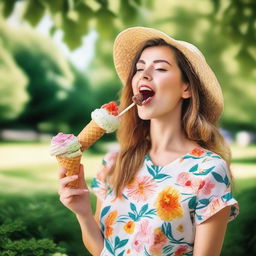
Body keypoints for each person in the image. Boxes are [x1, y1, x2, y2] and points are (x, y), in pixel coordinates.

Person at [58, 27, 239, 256]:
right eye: (139, 68)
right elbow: (103, 250)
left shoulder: (209, 170)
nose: (143, 75)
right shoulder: (113, 163)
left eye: (161, 68)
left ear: (186, 88)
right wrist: (82, 212)